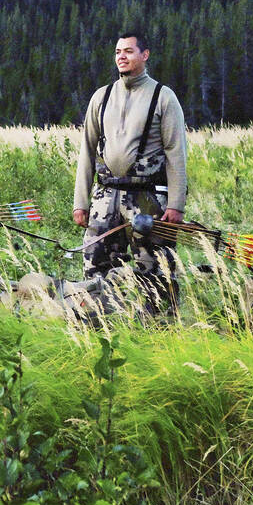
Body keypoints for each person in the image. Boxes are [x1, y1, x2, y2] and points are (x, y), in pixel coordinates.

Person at [72, 31, 189, 314]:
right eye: (117, 52)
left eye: (128, 51)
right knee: (95, 267)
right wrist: (80, 203)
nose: (121, 57)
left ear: (145, 55)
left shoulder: (163, 97)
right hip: (105, 197)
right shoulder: (102, 96)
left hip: (148, 199)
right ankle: (99, 324)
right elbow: (87, 150)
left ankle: (159, 332)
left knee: (156, 270)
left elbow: (176, 153)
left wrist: (176, 205)